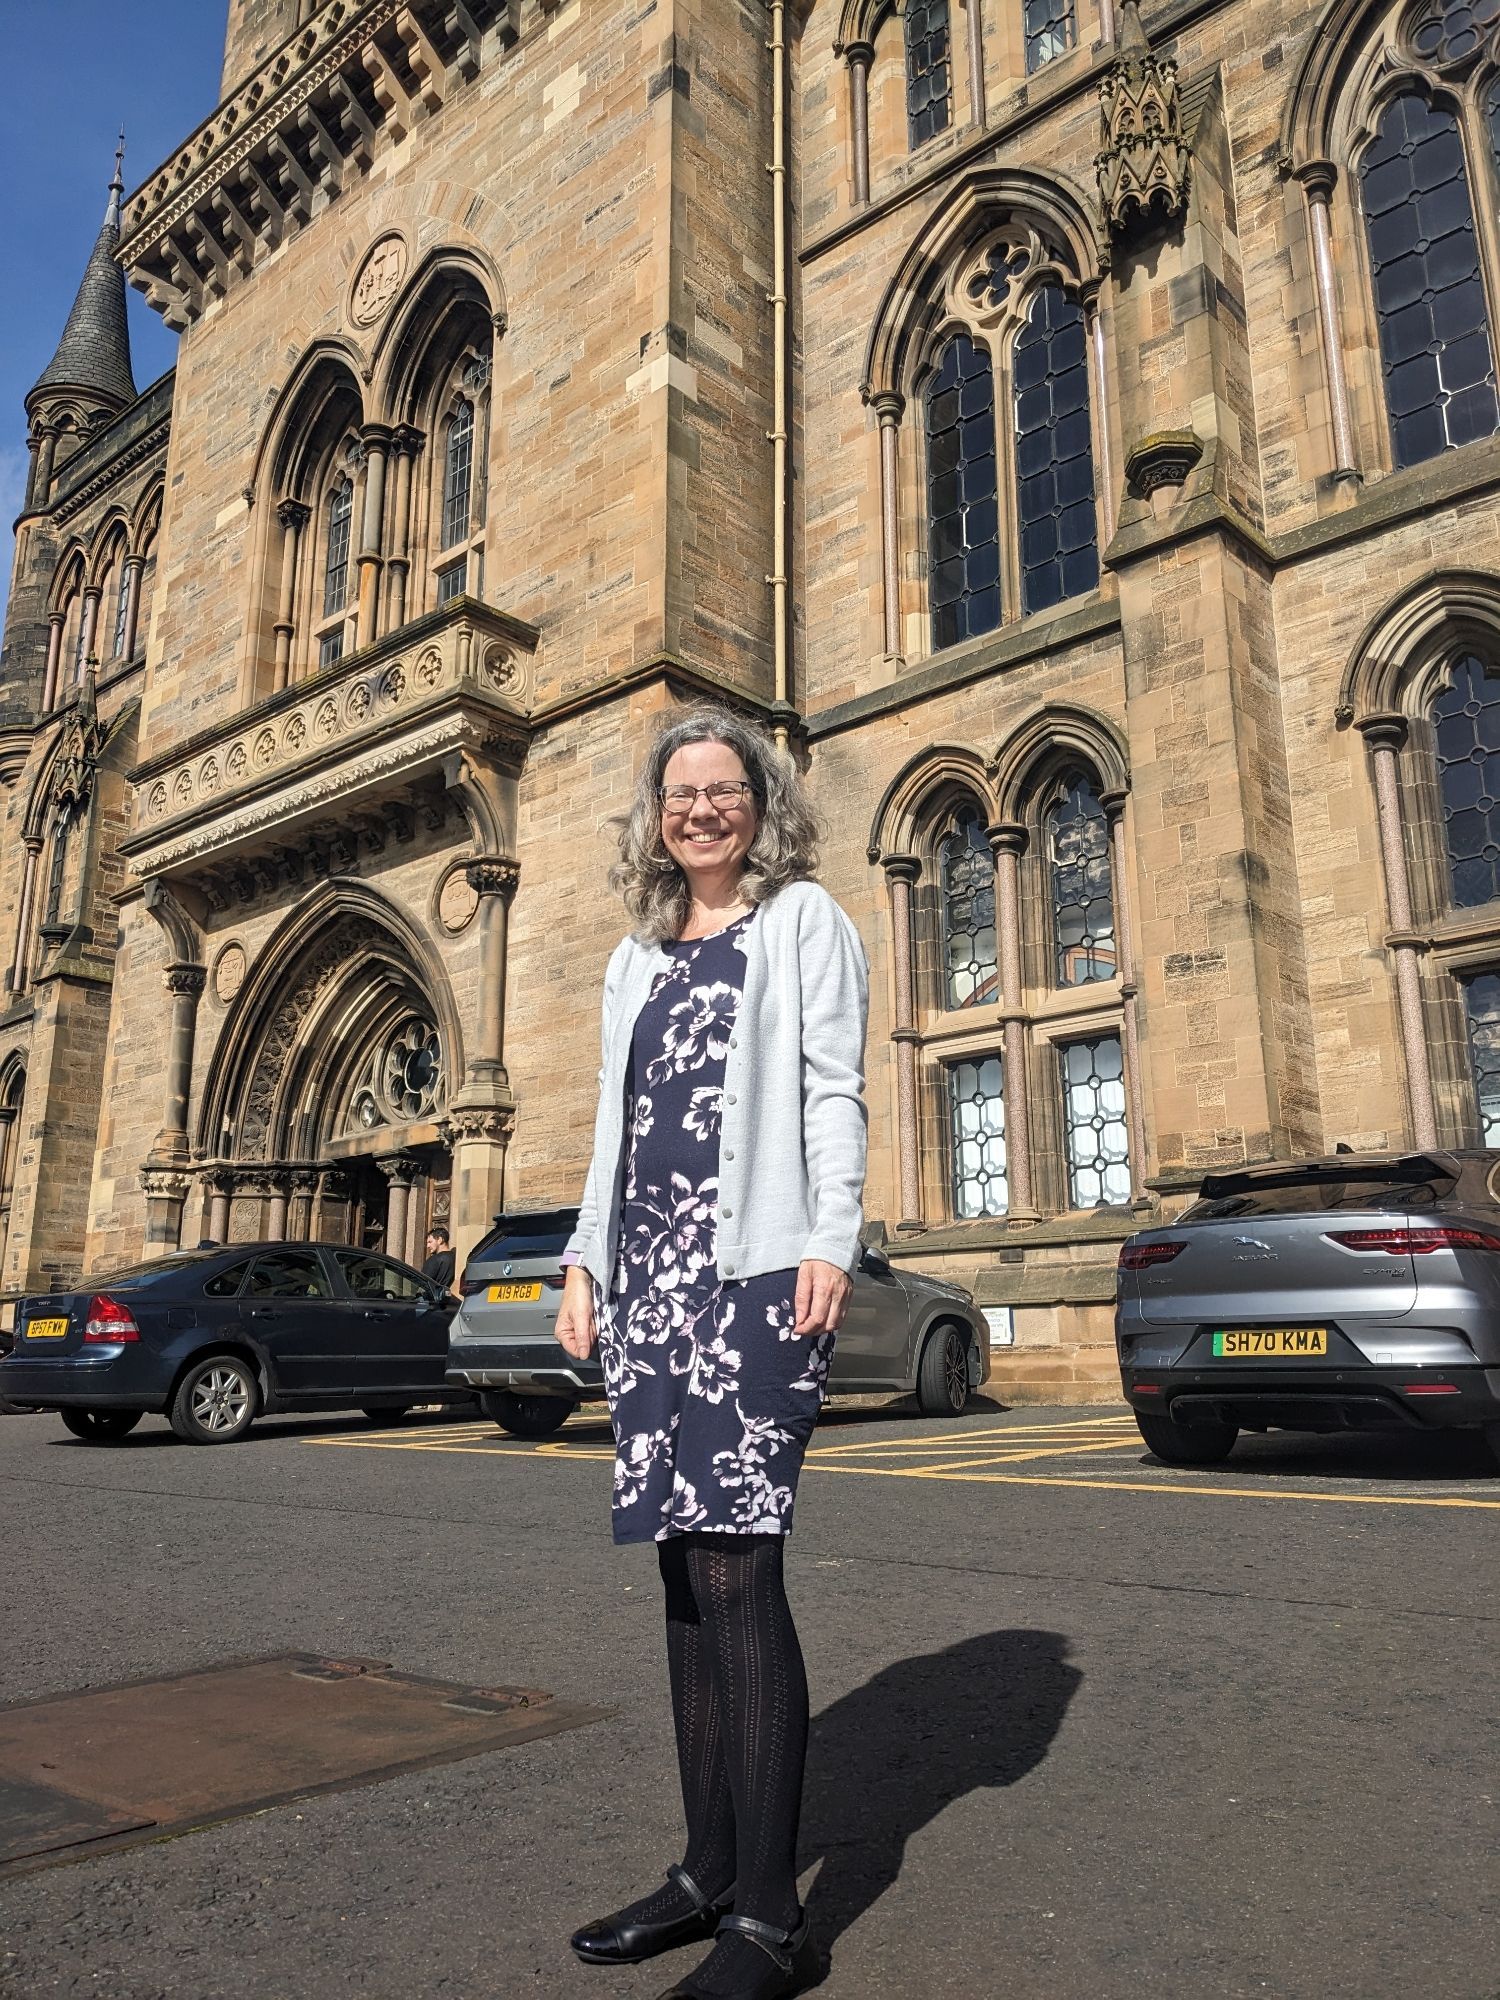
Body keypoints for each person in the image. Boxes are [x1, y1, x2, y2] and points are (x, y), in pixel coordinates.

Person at [557, 703, 868, 2000]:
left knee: (741, 1573)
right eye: (680, 792)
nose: (701, 809)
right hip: (651, 1286)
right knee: (686, 1581)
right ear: (657, 813)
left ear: (760, 803)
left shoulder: (802, 922)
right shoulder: (637, 955)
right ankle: (702, 1870)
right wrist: (583, 1261)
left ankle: (767, 1920)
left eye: (723, 789)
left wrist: (832, 1240)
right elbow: (611, 1132)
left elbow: (832, 1086)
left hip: (752, 1276)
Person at [421, 1225, 455, 1291]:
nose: (428, 1246)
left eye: (430, 1242)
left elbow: (423, 1283)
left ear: (440, 1240)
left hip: (431, 1299)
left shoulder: (434, 1260)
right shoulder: (455, 1258)